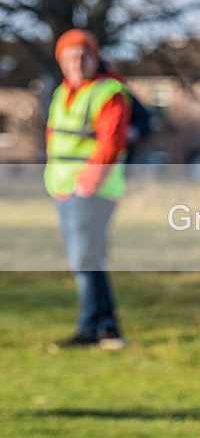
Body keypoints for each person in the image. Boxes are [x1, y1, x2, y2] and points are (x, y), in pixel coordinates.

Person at [45, 29, 130, 350]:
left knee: (83, 261)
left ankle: (88, 330)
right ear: (61, 61)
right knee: (90, 258)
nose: (77, 62)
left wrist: (86, 184)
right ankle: (108, 329)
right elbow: (54, 138)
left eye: (84, 55)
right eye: (70, 56)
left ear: (96, 57)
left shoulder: (109, 92)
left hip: (92, 191)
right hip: (64, 190)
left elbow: (112, 144)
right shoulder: (61, 92)